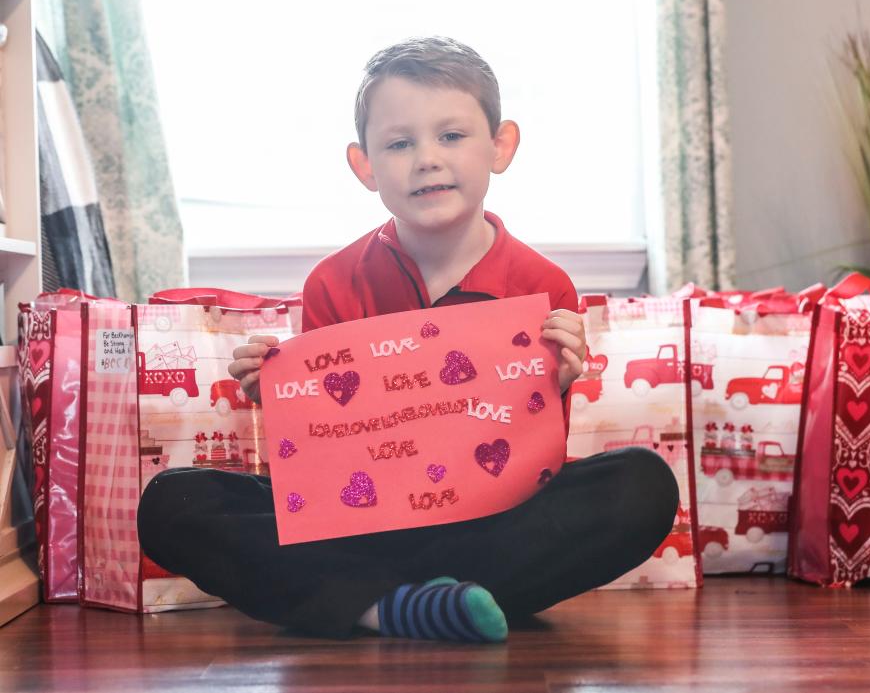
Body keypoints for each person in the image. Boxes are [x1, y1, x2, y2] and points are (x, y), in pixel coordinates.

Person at [138, 36, 679, 644]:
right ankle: (397, 607)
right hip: (365, 521)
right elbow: (328, 461)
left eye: (451, 136)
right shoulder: (333, 282)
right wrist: (283, 395)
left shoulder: (543, 285)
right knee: (171, 502)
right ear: (364, 165)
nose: (427, 158)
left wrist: (555, 382)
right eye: (399, 143)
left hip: (491, 520)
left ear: (500, 147)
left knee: (643, 484)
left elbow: (532, 461)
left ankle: (370, 599)